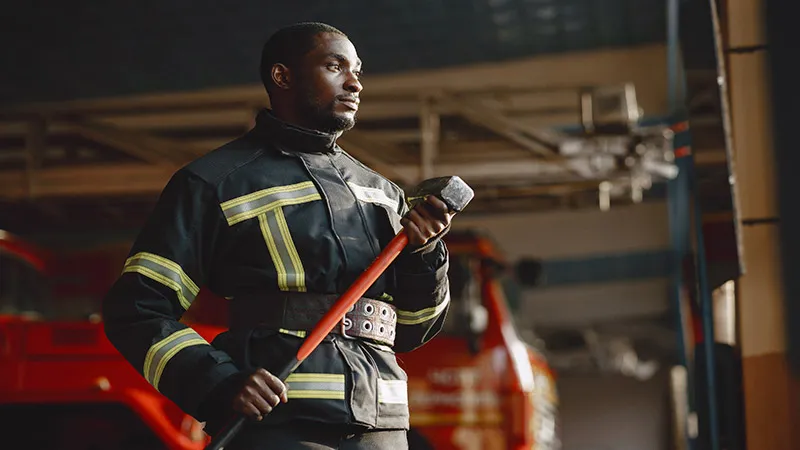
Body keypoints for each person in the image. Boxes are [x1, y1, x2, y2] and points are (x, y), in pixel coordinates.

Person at [102, 22, 453, 449]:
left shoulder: (382, 193)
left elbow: (414, 330)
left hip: (385, 429)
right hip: (278, 427)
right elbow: (136, 309)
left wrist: (425, 253)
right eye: (334, 66)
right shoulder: (214, 183)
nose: (355, 82)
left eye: (358, 69)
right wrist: (220, 384)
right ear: (282, 76)